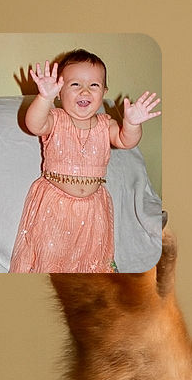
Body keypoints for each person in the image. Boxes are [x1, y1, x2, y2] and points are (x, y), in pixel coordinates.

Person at [9, 50, 161, 273]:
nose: (85, 91)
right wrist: (44, 98)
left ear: (104, 92)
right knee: (51, 255)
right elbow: (34, 124)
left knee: (92, 259)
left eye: (94, 85)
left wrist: (132, 124)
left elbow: (126, 141)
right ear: (60, 91)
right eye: (75, 84)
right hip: (55, 206)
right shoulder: (55, 120)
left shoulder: (106, 124)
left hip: (94, 208)